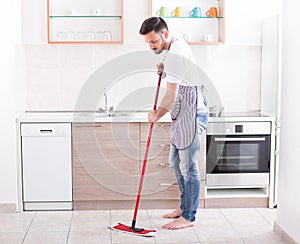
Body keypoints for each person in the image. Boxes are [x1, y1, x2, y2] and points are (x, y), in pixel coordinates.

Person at [139, 17, 208, 230]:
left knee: (189, 168)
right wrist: (164, 68)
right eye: (148, 43)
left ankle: (189, 216)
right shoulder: (175, 46)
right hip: (182, 114)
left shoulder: (175, 54)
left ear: (165, 34)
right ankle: (184, 206)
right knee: (175, 162)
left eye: (154, 42)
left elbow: (170, 96)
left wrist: (156, 115)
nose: (151, 46)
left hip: (191, 114)